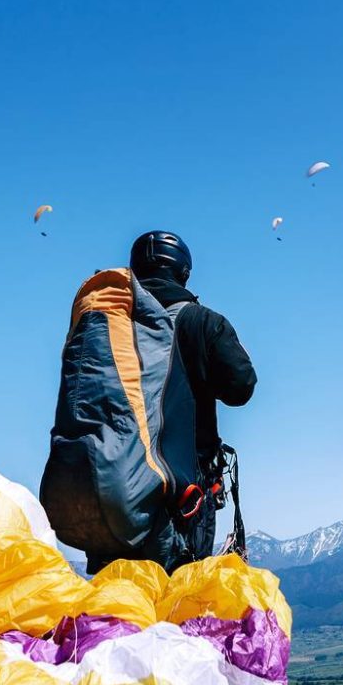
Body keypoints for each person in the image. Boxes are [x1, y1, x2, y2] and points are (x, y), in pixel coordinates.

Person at [126, 231, 257, 569]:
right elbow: (241, 388)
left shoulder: (111, 328)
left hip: (116, 490)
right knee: (180, 596)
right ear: (183, 271)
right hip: (185, 495)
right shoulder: (202, 322)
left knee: (123, 602)